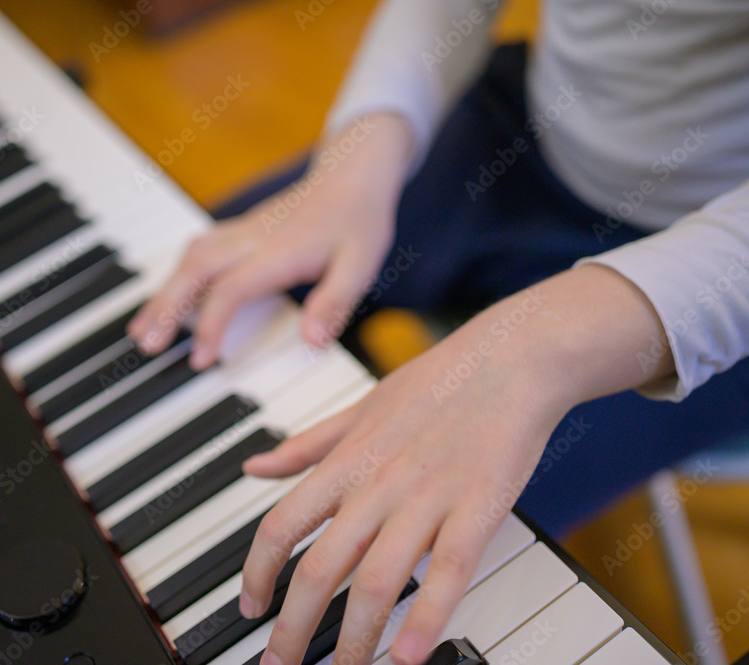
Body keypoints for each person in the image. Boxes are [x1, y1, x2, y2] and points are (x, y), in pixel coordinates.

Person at [127, 0, 749, 663]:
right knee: (189, 311)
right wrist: (356, 160)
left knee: (403, 563)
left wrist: (534, 348)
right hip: (523, 129)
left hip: (712, 269)